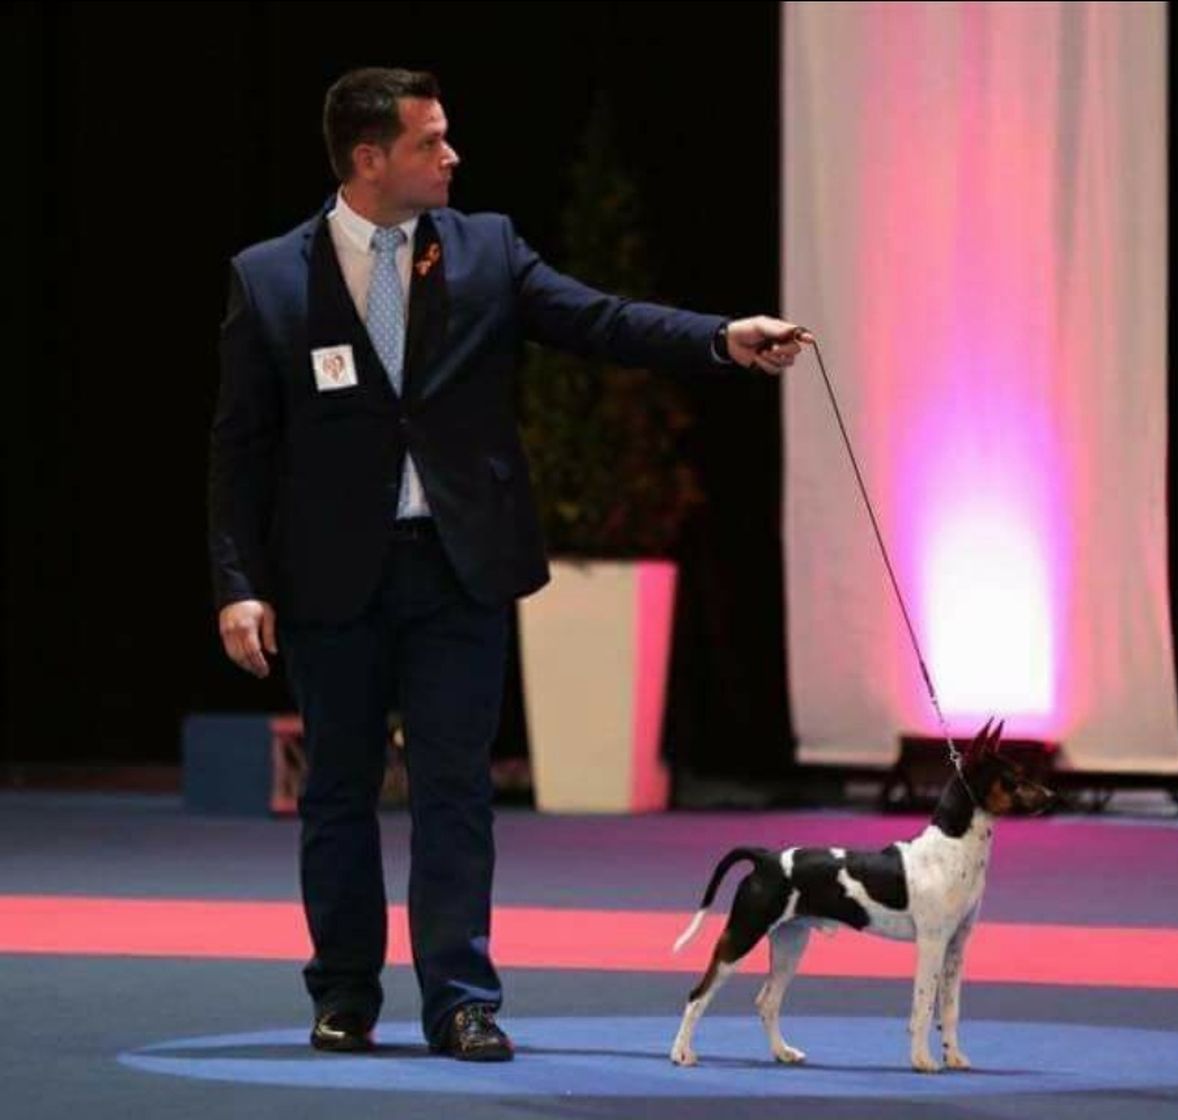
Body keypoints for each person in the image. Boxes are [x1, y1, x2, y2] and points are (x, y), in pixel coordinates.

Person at [208, 66, 809, 1063]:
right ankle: (345, 995)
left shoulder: (485, 249)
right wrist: (238, 583)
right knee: (338, 794)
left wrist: (722, 339)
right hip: (330, 581)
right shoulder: (270, 276)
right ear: (369, 160)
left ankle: (460, 1000)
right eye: (429, 142)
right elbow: (238, 448)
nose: (452, 156)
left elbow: (602, 318)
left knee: (455, 790)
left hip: (458, 571)